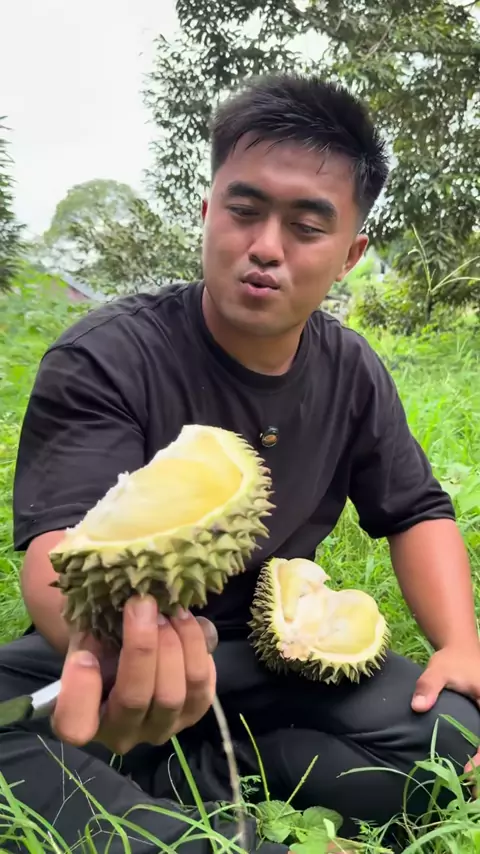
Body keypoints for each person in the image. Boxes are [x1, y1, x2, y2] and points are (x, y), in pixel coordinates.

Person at [1, 72, 480, 853]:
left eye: (306, 226)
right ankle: (209, 821)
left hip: (274, 654)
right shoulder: (106, 355)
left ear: (350, 254)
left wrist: (462, 646)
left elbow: (416, 509)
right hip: (123, 657)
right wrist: (111, 652)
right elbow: (60, 553)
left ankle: (194, 774)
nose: (265, 247)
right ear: (207, 212)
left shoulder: (352, 370)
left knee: (453, 737)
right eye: (244, 210)